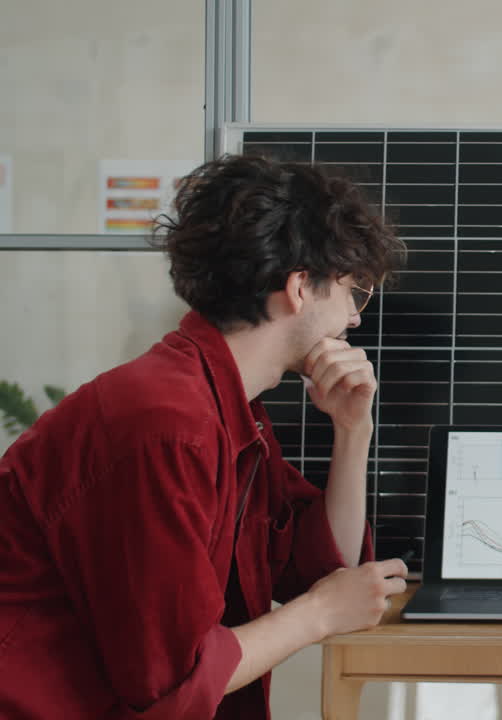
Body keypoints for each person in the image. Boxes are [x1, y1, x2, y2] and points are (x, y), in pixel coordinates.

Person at [0, 155, 410, 719]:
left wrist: (351, 429)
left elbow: (317, 570)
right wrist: (316, 615)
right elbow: (171, 683)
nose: (355, 320)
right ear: (298, 288)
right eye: (350, 293)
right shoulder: (167, 427)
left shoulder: (223, 407)